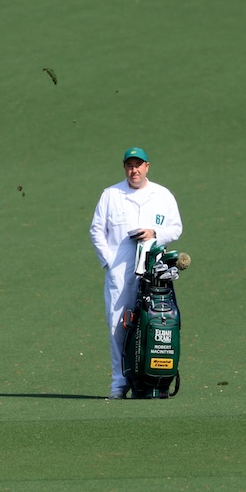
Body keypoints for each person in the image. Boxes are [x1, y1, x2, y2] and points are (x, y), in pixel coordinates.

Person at [89, 147, 183, 399]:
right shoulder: (111, 194)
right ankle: (119, 383)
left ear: (147, 166)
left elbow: (176, 228)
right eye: (130, 165)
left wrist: (155, 233)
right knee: (117, 325)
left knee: (152, 321)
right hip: (120, 272)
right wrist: (109, 262)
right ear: (124, 168)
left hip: (154, 272)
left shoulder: (162, 195)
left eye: (138, 165)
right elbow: (96, 230)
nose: (134, 170)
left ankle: (150, 378)